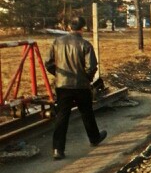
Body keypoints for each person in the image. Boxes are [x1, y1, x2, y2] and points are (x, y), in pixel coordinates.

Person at [45, 16, 107, 160]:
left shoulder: (57, 42)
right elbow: (91, 67)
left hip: (62, 85)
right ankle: (94, 138)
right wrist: (87, 79)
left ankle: (58, 150)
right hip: (81, 85)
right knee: (86, 112)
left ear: (69, 27)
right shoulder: (85, 45)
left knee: (62, 117)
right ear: (82, 28)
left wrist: (58, 75)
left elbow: (48, 63)